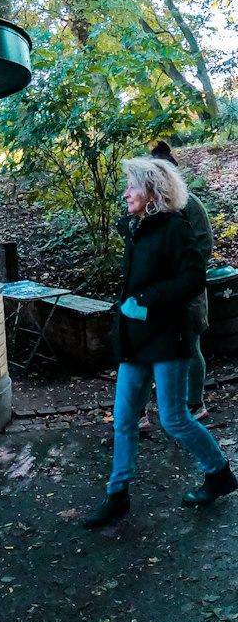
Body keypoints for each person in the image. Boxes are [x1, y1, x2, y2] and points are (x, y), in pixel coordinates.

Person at [83, 157, 236, 527]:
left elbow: (193, 278)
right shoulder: (136, 228)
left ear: (152, 190)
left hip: (168, 337)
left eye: (131, 187)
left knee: (173, 418)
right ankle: (117, 494)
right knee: (124, 418)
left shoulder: (175, 229)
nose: (125, 193)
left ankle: (218, 473)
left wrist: (146, 301)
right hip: (135, 340)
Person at [150, 141, 214, 420]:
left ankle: (195, 402)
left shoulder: (190, 204)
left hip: (188, 292)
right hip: (162, 292)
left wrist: (182, 277)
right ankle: (171, 399)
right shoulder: (153, 207)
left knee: (191, 345)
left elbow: (204, 245)